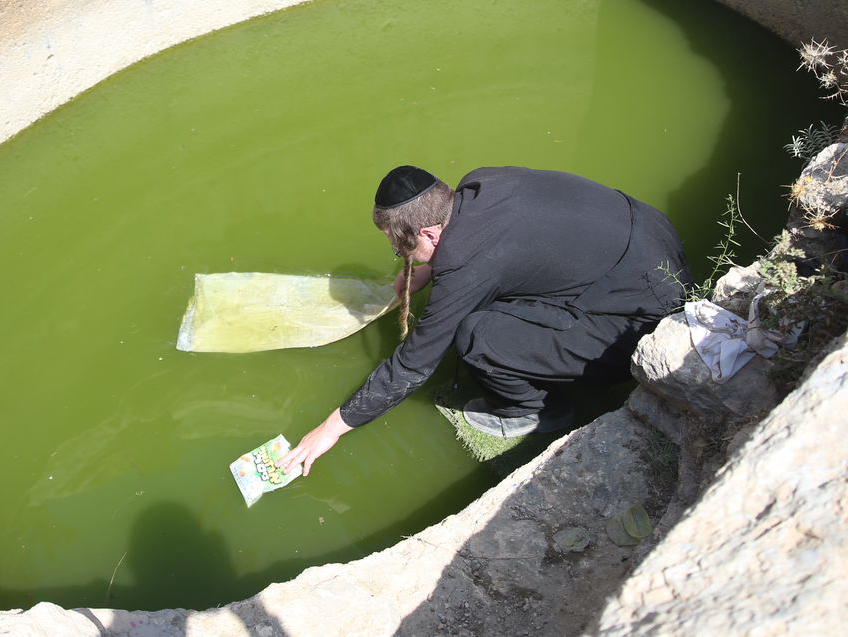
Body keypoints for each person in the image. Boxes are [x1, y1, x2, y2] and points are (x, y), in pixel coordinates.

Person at [279, 165, 689, 477]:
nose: (394, 249)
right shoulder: (478, 184)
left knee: (478, 335)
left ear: (429, 234)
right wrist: (426, 269)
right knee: (506, 288)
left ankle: (533, 410)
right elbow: (499, 243)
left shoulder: (467, 266)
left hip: (638, 319)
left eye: (398, 244)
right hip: (653, 243)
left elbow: (412, 365)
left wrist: (330, 429)